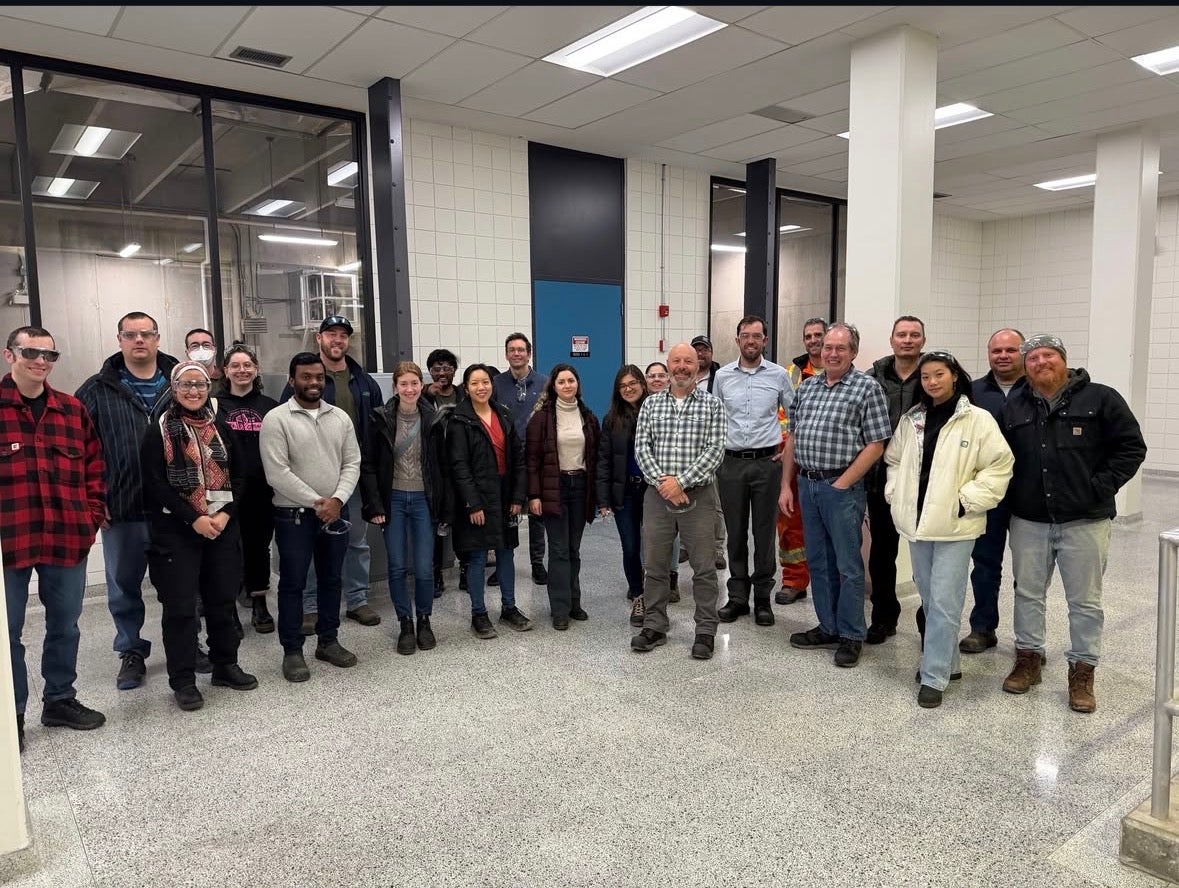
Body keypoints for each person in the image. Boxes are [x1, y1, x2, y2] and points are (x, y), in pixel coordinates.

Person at [999, 334, 1147, 713]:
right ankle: (1028, 658)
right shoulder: (1015, 404)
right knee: (1027, 593)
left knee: (1085, 602)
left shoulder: (1100, 398)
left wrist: (1101, 485)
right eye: (1032, 358)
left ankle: (1082, 670)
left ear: (1063, 360)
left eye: (1048, 356)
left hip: (1085, 520)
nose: (1040, 363)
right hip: (1029, 519)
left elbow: (1131, 446)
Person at [883, 351, 1013, 708]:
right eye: (925, 377)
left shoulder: (977, 419)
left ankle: (935, 674)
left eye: (938, 374)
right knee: (929, 597)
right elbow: (894, 459)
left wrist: (966, 499)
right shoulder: (913, 418)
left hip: (956, 524)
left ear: (954, 375)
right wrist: (896, 495)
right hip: (918, 523)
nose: (932, 382)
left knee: (944, 600)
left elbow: (1000, 465)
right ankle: (949, 663)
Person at [2, 326, 106, 751]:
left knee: (65, 626)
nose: (40, 361)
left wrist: (91, 518)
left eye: (49, 355)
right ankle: (13, 715)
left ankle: (60, 700)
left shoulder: (72, 409)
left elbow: (95, 469)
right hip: (9, 542)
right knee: (6, 634)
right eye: (30, 352)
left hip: (66, 539)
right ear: (10, 355)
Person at [141, 361, 258, 711]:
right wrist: (194, 518)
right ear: (174, 389)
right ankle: (184, 680)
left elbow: (241, 476)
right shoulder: (158, 430)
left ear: (209, 388)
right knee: (179, 609)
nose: (194, 391)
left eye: (200, 385)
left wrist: (222, 515)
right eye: (186, 385)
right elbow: (155, 484)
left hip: (221, 527)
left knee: (222, 601)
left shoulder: (222, 427)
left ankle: (225, 664)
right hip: (177, 531)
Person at [76, 311, 179, 690]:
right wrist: (93, 499)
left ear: (156, 338)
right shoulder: (96, 390)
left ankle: (187, 642)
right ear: (119, 339)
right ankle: (131, 650)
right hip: (123, 507)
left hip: (177, 509)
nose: (139, 340)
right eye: (131, 334)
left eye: (146, 334)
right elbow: (80, 451)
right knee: (123, 585)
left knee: (182, 583)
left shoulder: (181, 382)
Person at [779, 322, 891, 668]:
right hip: (806, 485)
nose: (832, 353)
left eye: (840, 348)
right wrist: (786, 484)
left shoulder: (866, 388)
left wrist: (843, 482)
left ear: (853, 352)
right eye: (828, 347)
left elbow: (876, 443)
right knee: (818, 562)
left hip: (841, 489)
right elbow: (793, 438)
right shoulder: (808, 387)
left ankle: (852, 634)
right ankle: (828, 626)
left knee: (847, 566)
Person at [262, 352, 362, 682]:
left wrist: (337, 500)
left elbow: (352, 463)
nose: (314, 382)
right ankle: (292, 651)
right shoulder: (277, 419)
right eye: (306, 376)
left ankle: (328, 642)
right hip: (294, 517)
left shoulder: (340, 419)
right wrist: (319, 502)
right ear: (292, 380)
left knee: (332, 580)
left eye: (318, 377)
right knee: (293, 583)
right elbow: (277, 472)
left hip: (335, 512)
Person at [282, 315, 384, 632]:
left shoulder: (364, 382)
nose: (337, 340)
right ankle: (311, 607)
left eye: (343, 335)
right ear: (319, 339)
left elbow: (378, 430)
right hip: (311, 479)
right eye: (331, 334)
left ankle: (357, 600)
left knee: (356, 541)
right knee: (312, 543)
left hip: (352, 477)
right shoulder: (306, 379)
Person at [632, 343, 726, 660]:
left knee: (703, 568)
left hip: (698, 496)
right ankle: (655, 625)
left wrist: (681, 482)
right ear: (668, 365)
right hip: (658, 496)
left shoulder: (712, 405)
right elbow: (641, 449)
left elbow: (715, 451)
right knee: (655, 565)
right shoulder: (650, 405)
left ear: (697, 365)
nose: (682, 366)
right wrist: (664, 482)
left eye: (689, 361)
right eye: (677, 361)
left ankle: (705, 631)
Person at [714, 316, 793, 628]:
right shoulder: (721, 377)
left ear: (765, 340)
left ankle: (762, 598)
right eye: (745, 336)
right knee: (735, 532)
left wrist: (787, 449)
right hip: (730, 463)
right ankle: (737, 597)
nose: (750, 341)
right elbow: (714, 418)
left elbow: (796, 416)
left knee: (763, 533)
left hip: (766, 465)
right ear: (737, 341)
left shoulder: (777, 375)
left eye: (756, 336)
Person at [360, 361, 443, 655]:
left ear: (422, 386)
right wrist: (375, 503)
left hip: (423, 500)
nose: (409, 389)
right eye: (404, 384)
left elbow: (441, 467)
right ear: (395, 387)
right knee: (396, 566)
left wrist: (442, 505)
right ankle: (405, 622)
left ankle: (424, 619)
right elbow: (368, 464)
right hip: (393, 498)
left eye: (414, 383)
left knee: (423, 567)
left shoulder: (434, 418)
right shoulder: (380, 418)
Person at [448, 364, 533, 637]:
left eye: (485, 382)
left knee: (507, 552)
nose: (481, 387)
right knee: (477, 556)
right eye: (475, 383)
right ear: (466, 388)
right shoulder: (460, 419)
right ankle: (479, 613)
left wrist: (518, 497)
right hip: (477, 498)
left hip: (505, 495)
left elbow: (518, 459)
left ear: (492, 385)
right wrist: (473, 504)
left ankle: (509, 607)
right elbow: (459, 465)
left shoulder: (504, 415)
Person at [960, 328, 1026, 654]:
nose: (1002, 356)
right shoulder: (973, 392)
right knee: (985, 564)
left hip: (1030, 495)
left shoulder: (1039, 389)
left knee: (1029, 572)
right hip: (989, 494)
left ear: (1023, 352)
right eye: (996, 350)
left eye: (1010, 350)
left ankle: (1028, 641)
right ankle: (982, 628)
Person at [864, 315, 927, 645]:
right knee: (882, 553)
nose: (908, 340)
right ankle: (883, 616)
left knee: (925, 556)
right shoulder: (873, 376)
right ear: (891, 340)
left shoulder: (935, 374)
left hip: (924, 481)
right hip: (880, 479)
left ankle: (927, 620)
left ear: (923, 341)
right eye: (901, 334)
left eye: (914, 335)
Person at [527, 363, 601, 630]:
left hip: (580, 487)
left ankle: (574, 602)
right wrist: (533, 495)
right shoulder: (541, 419)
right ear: (553, 386)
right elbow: (532, 461)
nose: (567, 385)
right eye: (562, 382)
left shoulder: (588, 417)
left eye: (571, 380)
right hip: (553, 487)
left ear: (578, 384)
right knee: (558, 550)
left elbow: (595, 458)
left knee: (573, 549)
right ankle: (559, 608)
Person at [216, 344, 278, 633]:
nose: (242, 370)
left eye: (247, 365)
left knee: (258, 548)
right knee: (227, 549)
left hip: (261, 490)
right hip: (224, 490)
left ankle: (259, 603)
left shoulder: (270, 406)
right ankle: (228, 609)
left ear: (256, 369)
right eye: (235, 366)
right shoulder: (213, 405)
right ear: (225, 371)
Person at [493, 332, 548, 586]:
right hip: (506, 459)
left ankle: (538, 563)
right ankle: (505, 563)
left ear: (529, 353)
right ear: (506, 354)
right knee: (508, 511)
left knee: (537, 511)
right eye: (512, 350)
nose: (516, 353)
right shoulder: (495, 384)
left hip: (536, 458)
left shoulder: (545, 384)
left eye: (521, 350)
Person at [777, 318, 826, 605]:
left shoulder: (843, 372)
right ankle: (794, 580)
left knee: (825, 526)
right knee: (789, 522)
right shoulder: (791, 373)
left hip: (828, 464)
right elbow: (781, 415)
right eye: (808, 336)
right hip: (792, 461)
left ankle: (825, 580)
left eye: (818, 334)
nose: (813, 340)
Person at [597, 365, 649, 626]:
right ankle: (638, 596)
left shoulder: (657, 411)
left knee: (653, 547)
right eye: (623, 385)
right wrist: (603, 499)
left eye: (633, 383)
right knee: (630, 546)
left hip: (653, 491)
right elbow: (604, 460)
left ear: (642, 383)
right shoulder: (611, 419)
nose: (629, 389)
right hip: (625, 492)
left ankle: (656, 593)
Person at [423, 347, 463, 597]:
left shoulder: (463, 395)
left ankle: (466, 571)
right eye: (436, 368)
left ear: (454, 371)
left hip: (460, 464)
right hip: (435, 467)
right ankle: (435, 574)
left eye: (447, 367)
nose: (442, 373)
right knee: (436, 522)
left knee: (464, 521)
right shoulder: (425, 397)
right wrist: (426, 396)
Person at [645, 361, 682, 600]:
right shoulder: (643, 405)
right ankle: (650, 579)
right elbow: (642, 448)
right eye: (651, 376)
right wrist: (660, 480)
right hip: (649, 480)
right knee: (649, 534)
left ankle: (673, 577)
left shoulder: (680, 405)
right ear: (645, 380)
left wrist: (674, 483)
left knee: (675, 533)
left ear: (668, 378)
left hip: (678, 484)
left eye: (661, 375)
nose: (656, 379)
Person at [691, 334, 727, 571]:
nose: (701, 354)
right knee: (688, 500)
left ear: (711, 353)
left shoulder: (721, 378)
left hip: (713, 450)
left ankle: (717, 548)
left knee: (714, 502)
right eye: (697, 350)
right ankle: (687, 545)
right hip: (687, 449)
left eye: (705, 350)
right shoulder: (683, 377)